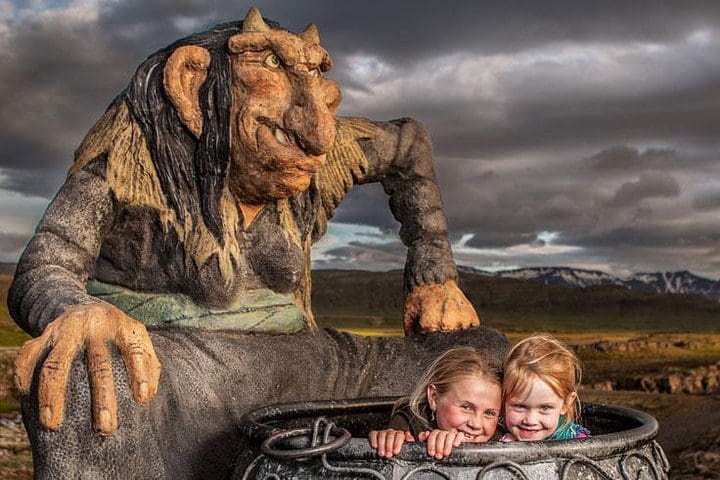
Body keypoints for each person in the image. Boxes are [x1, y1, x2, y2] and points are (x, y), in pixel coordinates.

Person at [369, 346, 502, 460]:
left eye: (489, 413)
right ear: (434, 398)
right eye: (466, 407)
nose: (476, 424)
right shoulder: (409, 423)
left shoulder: (501, 437)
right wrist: (389, 440)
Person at [500, 334, 590, 442]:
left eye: (545, 408)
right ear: (503, 399)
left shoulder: (579, 443)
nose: (530, 421)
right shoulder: (492, 433)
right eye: (520, 406)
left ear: (566, 404)